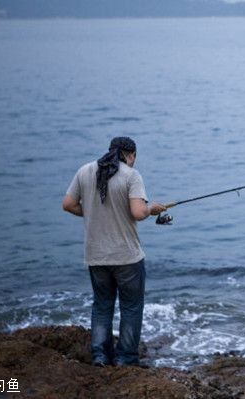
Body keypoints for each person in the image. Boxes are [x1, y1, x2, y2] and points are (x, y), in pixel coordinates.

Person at [62, 136, 166, 367]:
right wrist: (153, 208)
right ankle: (126, 358)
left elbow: (68, 204)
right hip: (126, 256)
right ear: (131, 155)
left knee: (102, 306)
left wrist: (90, 212)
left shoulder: (85, 171)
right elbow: (138, 212)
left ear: (111, 151)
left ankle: (100, 355)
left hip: (96, 256)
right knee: (130, 307)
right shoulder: (131, 175)